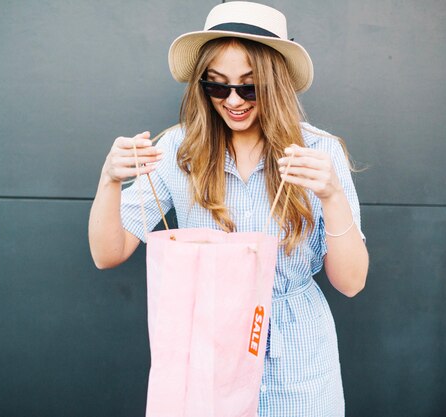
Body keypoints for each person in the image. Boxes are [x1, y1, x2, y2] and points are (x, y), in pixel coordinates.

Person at [88, 1, 368, 415]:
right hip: (208, 350)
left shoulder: (319, 152)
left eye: (249, 87)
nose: (232, 100)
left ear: (276, 83)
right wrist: (109, 181)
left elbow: (351, 283)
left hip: (297, 356)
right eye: (217, 85)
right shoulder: (177, 151)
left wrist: (333, 197)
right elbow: (107, 254)